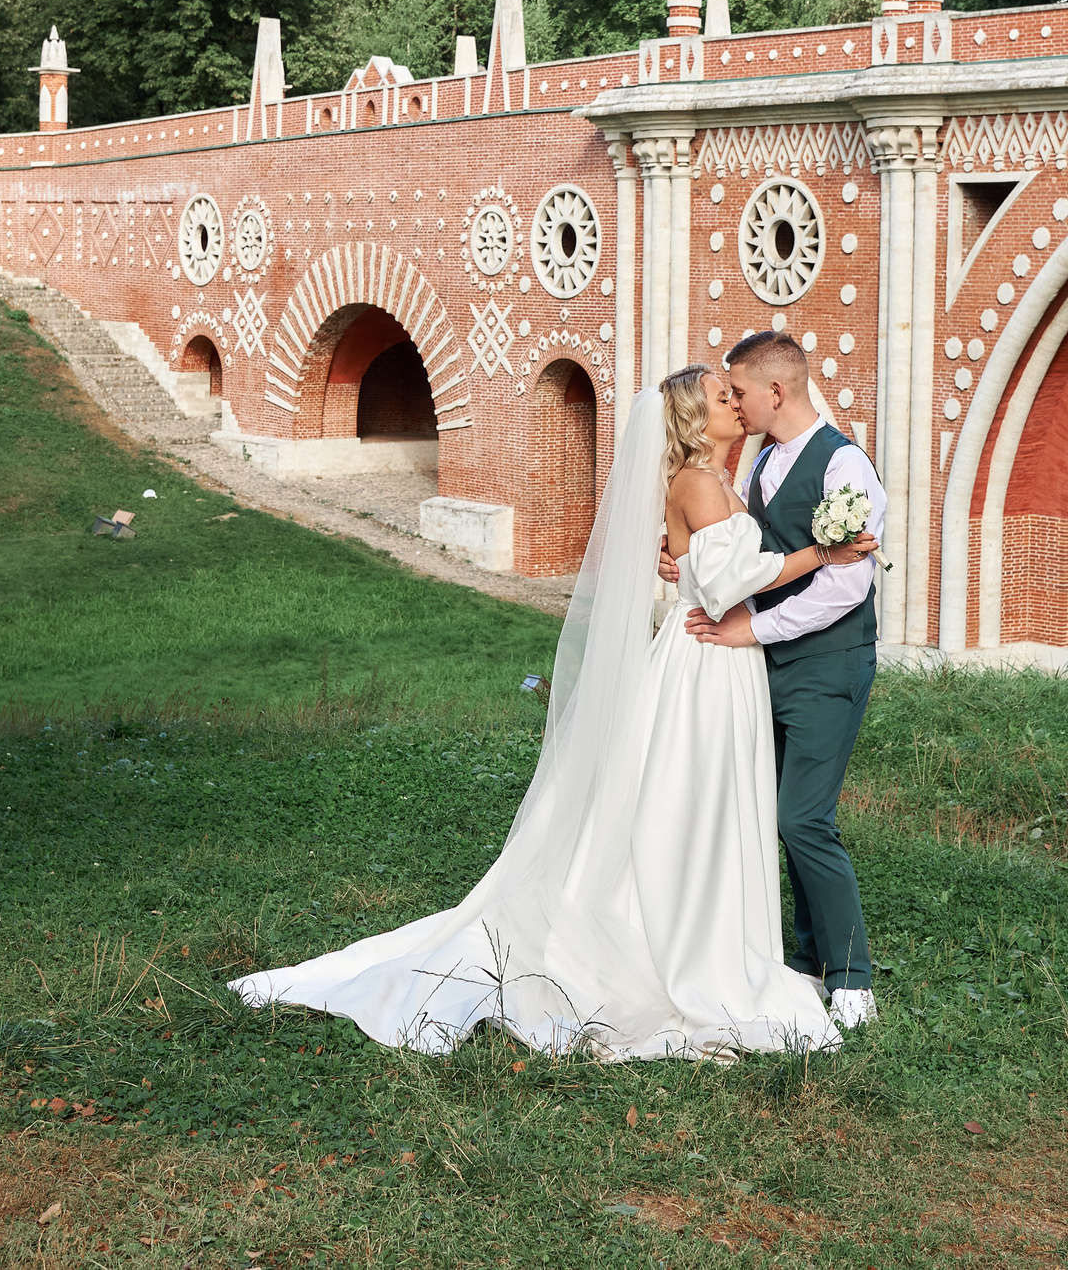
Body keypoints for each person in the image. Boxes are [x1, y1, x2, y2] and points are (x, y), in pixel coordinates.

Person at [228, 365, 877, 1060]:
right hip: (710, 660)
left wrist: (684, 560)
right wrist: (820, 552)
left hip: (728, 661)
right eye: (723, 398)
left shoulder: (721, 479)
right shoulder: (696, 481)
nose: (735, 406)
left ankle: (723, 932)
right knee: (694, 800)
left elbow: (708, 563)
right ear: (694, 419)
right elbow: (724, 585)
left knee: (715, 802)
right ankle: (687, 937)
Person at [674, 331, 889, 1029]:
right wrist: (691, 567)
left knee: (803, 816)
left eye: (737, 390)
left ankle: (852, 976)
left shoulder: (845, 465)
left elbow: (846, 586)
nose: (732, 401)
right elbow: (750, 555)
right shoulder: (762, 461)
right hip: (762, 665)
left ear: (777, 391)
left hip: (828, 662)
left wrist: (750, 629)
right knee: (769, 811)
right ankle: (802, 957)